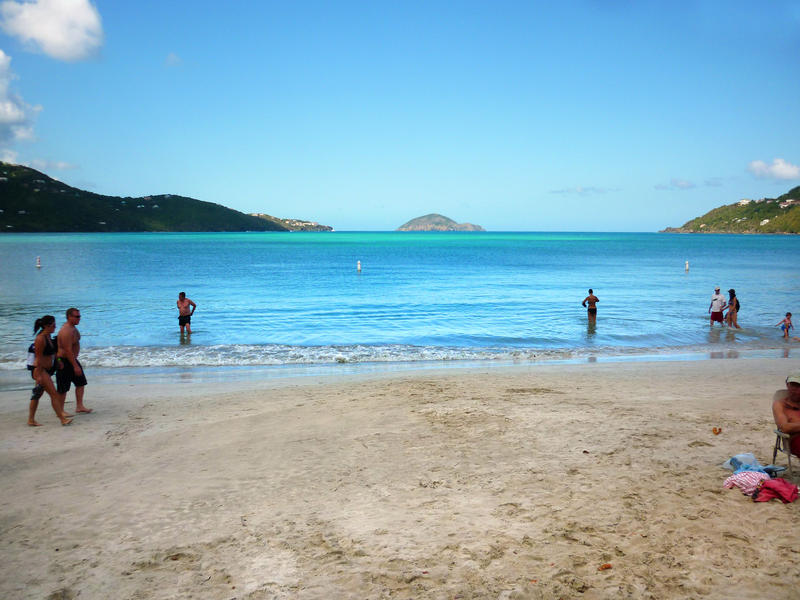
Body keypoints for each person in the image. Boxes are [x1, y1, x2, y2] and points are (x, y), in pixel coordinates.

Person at [29, 315, 72, 426]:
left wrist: (58, 361)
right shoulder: (40, 339)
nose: (55, 327)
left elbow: (53, 353)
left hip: (47, 370)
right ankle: (62, 419)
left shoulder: (48, 336)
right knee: (54, 394)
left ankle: (31, 420)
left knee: (37, 394)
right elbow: (38, 358)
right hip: (40, 370)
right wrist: (38, 375)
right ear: (46, 326)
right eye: (53, 325)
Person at [56, 307, 91, 414]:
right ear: (69, 317)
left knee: (81, 383)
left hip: (72, 359)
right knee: (63, 388)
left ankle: (79, 406)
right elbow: (67, 350)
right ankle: (61, 410)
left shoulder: (72, 328)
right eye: (76, 316)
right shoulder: (66, 331)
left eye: (79, 316)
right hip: (65, 361)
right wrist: (75, 366)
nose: (79, 318)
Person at [772, 371, 800, 458]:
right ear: (787, 385)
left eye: (798, 386)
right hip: (796, 440)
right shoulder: (780, 405)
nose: (795, 389)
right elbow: (784, 427)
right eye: (792, 385)